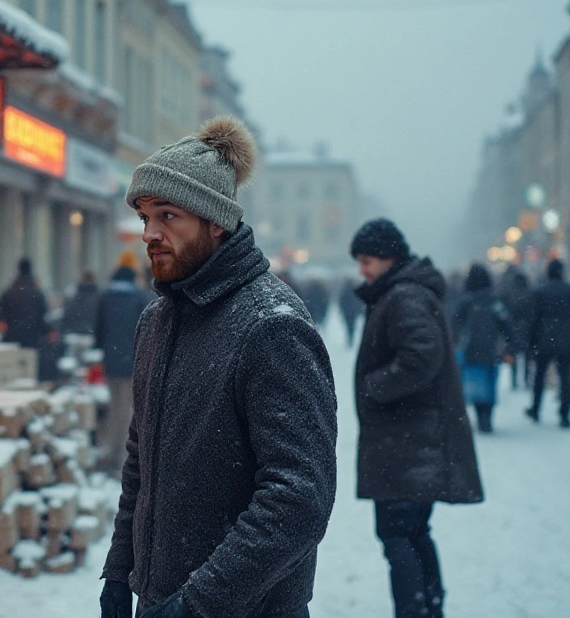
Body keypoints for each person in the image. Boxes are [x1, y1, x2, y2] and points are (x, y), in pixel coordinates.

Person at [101, 117, 338, 618]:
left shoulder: (272, 325)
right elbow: (140, 463)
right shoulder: (157, 321)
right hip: (157, 597)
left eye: (168, 215)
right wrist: (120, 574)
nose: (150, 233)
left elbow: (298, 498)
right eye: (145, 216)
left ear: (216, 221)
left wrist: (198, 603)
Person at [350, 218, 483, 618]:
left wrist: (375, 386)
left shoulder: (403, 296)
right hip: (410, 443)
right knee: (412, 532)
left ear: (389, 257)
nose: (362, 269)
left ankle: (415, 611)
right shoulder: (401, 292)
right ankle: (428, 607)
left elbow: (421, 357)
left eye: (368, 259)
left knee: (397, 535)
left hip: (408, 444)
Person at [92, 254, 152, 475]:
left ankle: (110, 452)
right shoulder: (140, 296)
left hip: (111, 361)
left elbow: (98, 328)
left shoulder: (105, 295)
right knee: (127, 411)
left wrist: (103, 349)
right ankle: (122, 460)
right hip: (132, 361)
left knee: (113, 408)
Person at [525, 259, 570, 428]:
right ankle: (565, 414)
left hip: (543, 340)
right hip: (567, 341)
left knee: (539, 375)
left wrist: (530, 342)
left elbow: (532, 319)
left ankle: (536, 409)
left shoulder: (539, 292)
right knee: (565, 377)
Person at [453, 264, 516, 433]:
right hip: (491, 350)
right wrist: (511, 345)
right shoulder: (495, 301)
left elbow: (456, 325)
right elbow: (506, 324)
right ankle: (487, 417)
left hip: (470, 350)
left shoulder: (466, 301)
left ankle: (480, 414)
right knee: (490, 383)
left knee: (474, 383)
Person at [0, 258, 52, 380]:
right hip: (32, 342)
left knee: (13, 378)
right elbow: (43, 319)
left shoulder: (8, 292)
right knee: (30, 376)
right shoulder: (37, 293)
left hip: (11, 342)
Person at [500, 271, 533, 390]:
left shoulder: (510, 295)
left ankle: (514, 381)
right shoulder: (530, 294)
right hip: (528, 329)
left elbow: (507, 313)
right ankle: (526, 378)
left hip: (513, 329)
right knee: (527, 356)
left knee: (513, 353)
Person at [61, 271, 101, 336]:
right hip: (92, 334)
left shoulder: (74, 296)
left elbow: (66, 316)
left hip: (74, 334)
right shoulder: (99, 298)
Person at [339, 278, 365, 348]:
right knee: (352, 325)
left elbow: (342, 302)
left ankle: (350, 336)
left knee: (349, 325)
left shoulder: (345, 291)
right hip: (352, 311)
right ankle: (351, 336)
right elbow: (358, 302)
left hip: (348, 312)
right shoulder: (355, 291)